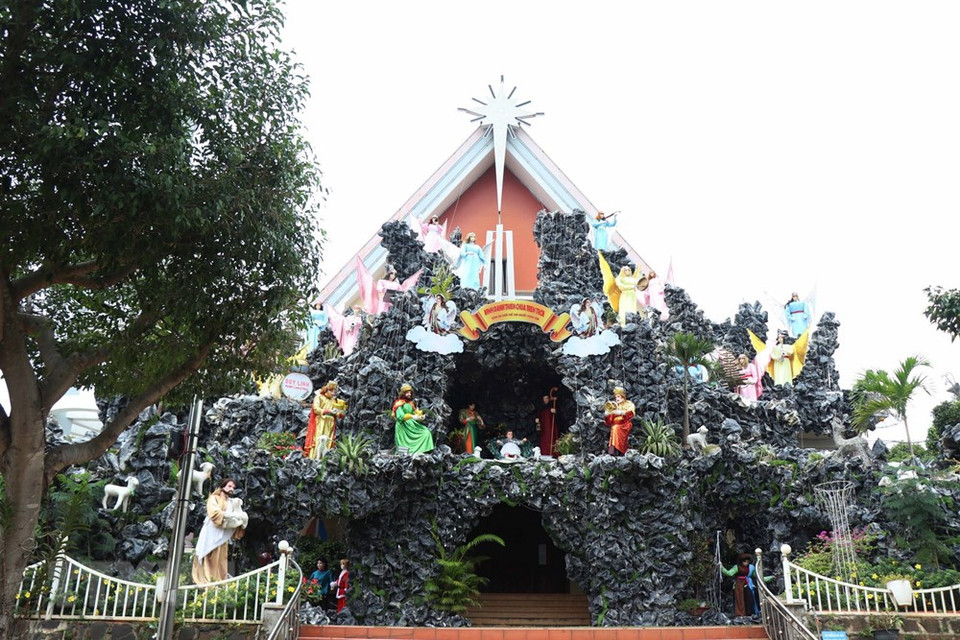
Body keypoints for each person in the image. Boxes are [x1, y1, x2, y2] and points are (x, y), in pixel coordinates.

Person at [192, 478, 246, 584]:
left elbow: (240, 518)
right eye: (229, 486)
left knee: (221, 560)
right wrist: (230, 516)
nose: (232, 489)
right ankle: (207, 583)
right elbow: (214, 513)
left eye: (233, 487)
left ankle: (219, 584)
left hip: (223, 536)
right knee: (209, 556)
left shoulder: (232, 502)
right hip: (211, 533)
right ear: (223, 486)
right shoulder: (214, 498)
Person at [306, 382, 347, 458]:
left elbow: (337, 413)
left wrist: (341, 412)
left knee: (328, 439)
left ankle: (325, 458)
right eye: (331, 391)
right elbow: (316, 409)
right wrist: (327, 411)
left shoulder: (334, 401)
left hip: (330, 422)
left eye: (334, 392)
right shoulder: (319, 397)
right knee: (319, 438)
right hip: (321, 420)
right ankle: (314, 458)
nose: (333, 393)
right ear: (326, 390)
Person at [393, 384, 435, 453]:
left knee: (426, 432)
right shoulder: (398, 403)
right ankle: (408, 452)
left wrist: (420, 416)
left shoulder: (411, 403)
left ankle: (420, 451)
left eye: (410, 392)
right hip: (403, 426)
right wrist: (411, 416)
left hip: (412, 425)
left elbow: (415, 413)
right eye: (407, 392)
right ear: (403, 393)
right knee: (404, 443)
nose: (409, 394)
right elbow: (400, 417)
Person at [721, 553, 763, 617]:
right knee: (740, 600)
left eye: (747, 561)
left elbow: (757, 576)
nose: (746, 563)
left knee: (750, 597)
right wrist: (721, 568)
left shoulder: (751, 567)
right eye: (744, 561)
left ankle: (750, 613)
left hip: (749, 584)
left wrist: (769, 578)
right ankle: (741, 613)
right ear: (741, 561)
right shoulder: (737, 567)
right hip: (739, 585)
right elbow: (729, 573)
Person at [603, 387, 635, 456]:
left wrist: (620, 412)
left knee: (615, 428)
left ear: (623, 396)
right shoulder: (615, 406)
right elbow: (609, 422)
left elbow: (631, 414)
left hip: (625, 425)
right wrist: (607, 415)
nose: (617, 398)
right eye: (616, 397)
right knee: (614, 428)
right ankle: (612, 451)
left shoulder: (629, 404)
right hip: (616, 426)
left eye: (618, 396)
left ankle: (617, 450)